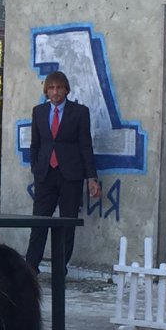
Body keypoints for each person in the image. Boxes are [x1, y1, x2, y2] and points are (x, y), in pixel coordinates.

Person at [25, 71, 100, 274]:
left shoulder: (79, 112)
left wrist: (91, 177)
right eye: (51, 88)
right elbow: (35, 144)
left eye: (59, 88)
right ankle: (31, 267)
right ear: (46, 91)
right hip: (45, 174)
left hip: (71, 175)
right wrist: (36, 167)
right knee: (39, 222)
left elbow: (86, 145)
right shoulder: (39, 112)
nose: (55, 92)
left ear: (66, 89)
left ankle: (60, 267)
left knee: (67, 224)